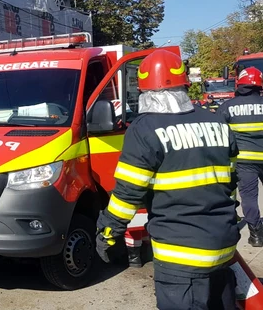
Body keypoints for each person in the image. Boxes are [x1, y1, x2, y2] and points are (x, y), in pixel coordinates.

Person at [96, 50, 239, 310]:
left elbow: (128, 193)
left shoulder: (144, 129)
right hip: (224, 245)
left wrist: (107, 231)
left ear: (143, 90)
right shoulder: (216, 121)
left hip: (181, 255)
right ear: (185, 84)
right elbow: (231, 181)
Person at [218, 66, 263, 247]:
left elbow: (220, 136)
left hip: (244, 162)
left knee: (249, 198)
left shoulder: (227, 107)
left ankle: (256, 235)